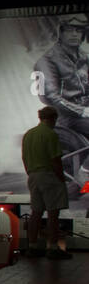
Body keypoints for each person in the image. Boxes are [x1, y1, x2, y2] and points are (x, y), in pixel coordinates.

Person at [33, 13, 89, 194]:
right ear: (61, 32)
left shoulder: (84, 57)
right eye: (70, 30)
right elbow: (51, 96)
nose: (75, 34)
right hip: (64, 116)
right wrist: (81, 111)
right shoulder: (47, 60)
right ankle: (84, 173)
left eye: (79, 31)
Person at [22, 105, 72, 259]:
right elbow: (55, 159)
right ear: (52, 118)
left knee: (35, 213)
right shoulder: (50, 134)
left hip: (33, 176)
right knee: (53, 213)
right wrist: (61, 178)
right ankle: (52, 247)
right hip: (49, 176)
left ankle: (32, 246)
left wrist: (31, 172)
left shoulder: (29, 135)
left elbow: (24, 158)